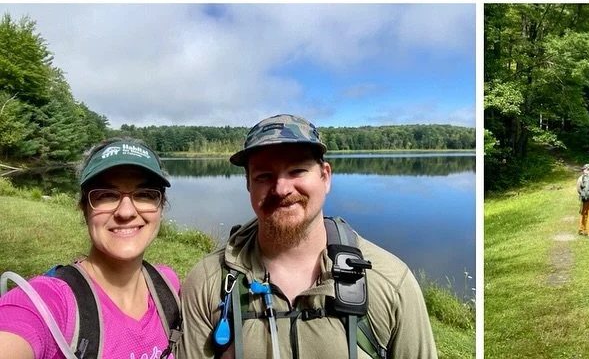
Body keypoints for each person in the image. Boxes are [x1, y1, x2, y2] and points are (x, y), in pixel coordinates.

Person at [178, 116, 436, 359]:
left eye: (297, 170)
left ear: (325, 176)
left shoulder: (389, 281)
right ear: (248, 184)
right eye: (263, 176)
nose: (281, 188)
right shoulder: (209, 282)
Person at [0, 137, 182, 359]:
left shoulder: (167, 287)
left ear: (161, 208)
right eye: (106, 195)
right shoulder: (50, 302)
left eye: (144, 194)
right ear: (84, 209)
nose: (126, 212)